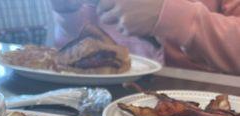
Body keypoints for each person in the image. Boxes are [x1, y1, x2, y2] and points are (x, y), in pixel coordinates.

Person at [50, 0, 240, 75]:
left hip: (201, 113)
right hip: (101, 106)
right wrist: (67, 14)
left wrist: (167, 14)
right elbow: (68, 55)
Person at [49, 0, 164, 64]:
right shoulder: (91, 9)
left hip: (154, 78)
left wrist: (164, 14)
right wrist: (66, 12)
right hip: (94, 76)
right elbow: (73, 39)